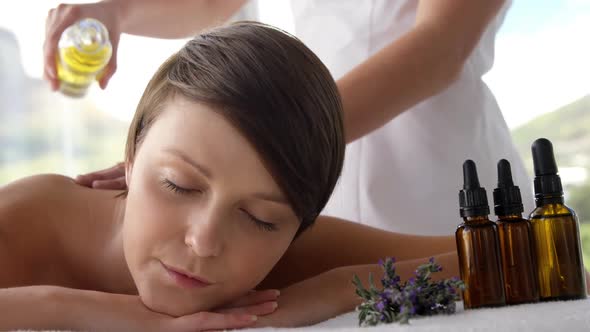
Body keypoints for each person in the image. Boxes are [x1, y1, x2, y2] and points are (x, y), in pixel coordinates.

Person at [3, 22, 458, 331]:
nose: (204, 241)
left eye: (258, 217)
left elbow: (500, 256)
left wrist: (336, 288)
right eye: (178, 185)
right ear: (131, 155)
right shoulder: (26, 225)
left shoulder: (287, 254)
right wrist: (67, 308)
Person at [44, 0, 534, 236]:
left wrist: (261, 143)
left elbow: (439, 48)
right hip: (298, 183)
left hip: (438, 182)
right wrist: (114, 11)